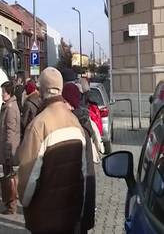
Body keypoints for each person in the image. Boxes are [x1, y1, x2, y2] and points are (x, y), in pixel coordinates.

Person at [17, 67, 86, 234]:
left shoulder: (39, 125)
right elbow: (83, 172)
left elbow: (28, 180)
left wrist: (26, 204)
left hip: (45, 217)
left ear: (42, 91)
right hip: (71, 214)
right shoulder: (75, 122)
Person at [62, 82, 96, 233]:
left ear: (70, 103)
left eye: (63, 101)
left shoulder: (75, 128)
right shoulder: (81, 123)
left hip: (77, 200)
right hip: (80, 197)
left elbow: (79, 169)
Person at [0, 81, 21, 215]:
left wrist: (8, 153)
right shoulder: (8, 106)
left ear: (9, 93)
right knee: (8, 177)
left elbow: (10, 132)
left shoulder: (10, 108)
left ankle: (12, 205)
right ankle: (10, 204)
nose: (1, 94)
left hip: (9, 150)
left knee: (9, 178)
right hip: (8, 149)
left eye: (3, 92)